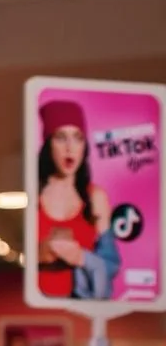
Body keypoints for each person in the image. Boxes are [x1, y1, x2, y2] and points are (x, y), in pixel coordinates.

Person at [35, 99, 117, 300]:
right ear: (48, 143)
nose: (70, 148)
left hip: (81, 304)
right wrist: (38, 254)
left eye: (78, 138)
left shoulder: (95, 197)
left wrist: (81, 257)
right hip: (36, 301)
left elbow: (110, 263)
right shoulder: (33, 195)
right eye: (61, 138)